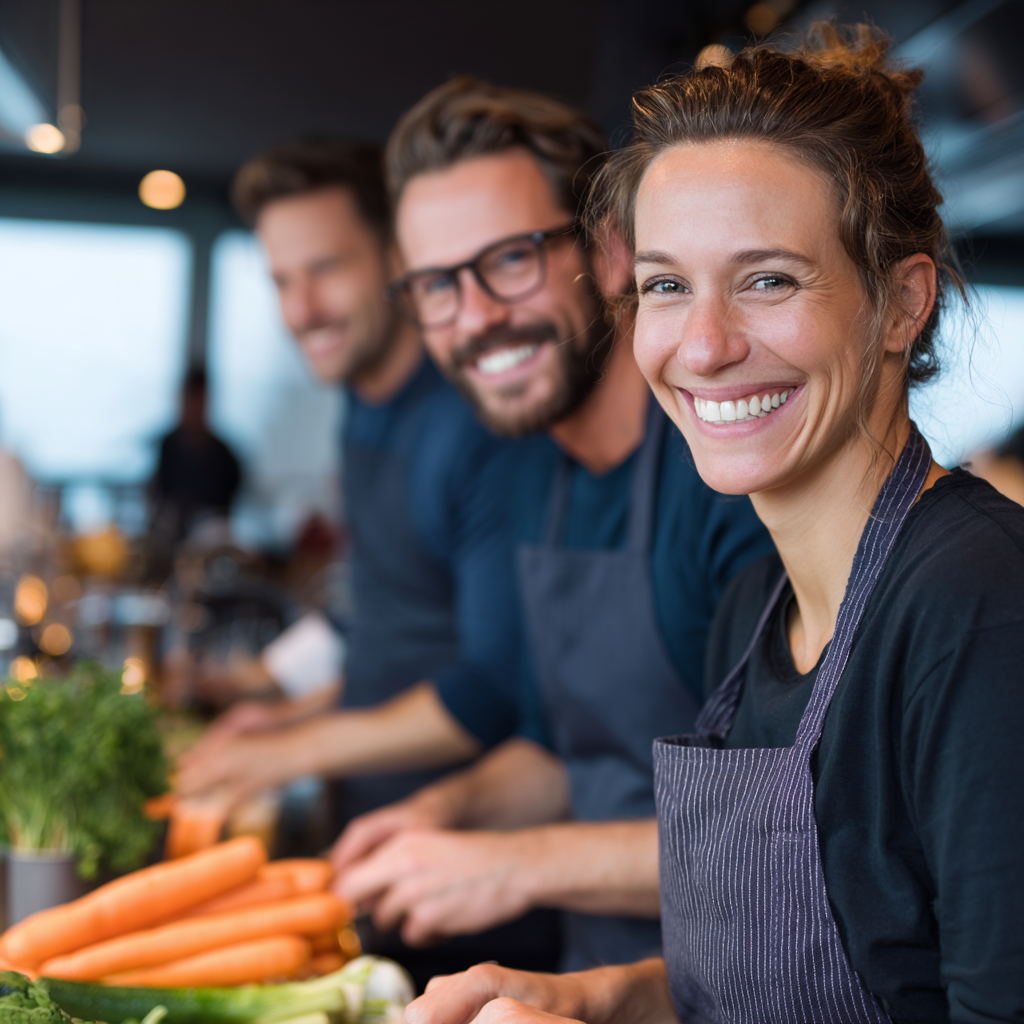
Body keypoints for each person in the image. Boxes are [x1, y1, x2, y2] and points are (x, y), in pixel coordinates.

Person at [398, 25, 1024, 1023]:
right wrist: (597, 998)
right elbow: (764, 979)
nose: (703, 344)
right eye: (666, 286)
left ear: (901, 303)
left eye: (767, 279)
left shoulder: (976, 605)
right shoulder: (753, 612)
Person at [330, 80, 774, 972]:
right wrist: (446, 813)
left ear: (610, 253)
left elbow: (780, 839)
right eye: (436, 286)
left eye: (510, 260)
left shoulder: (727, 482)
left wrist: (513, 866)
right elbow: (563, 754)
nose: (478, 317)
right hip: (586, 977)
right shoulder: (540, 473)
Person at [174, 139, 561, 983]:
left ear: (397, 259)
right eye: (281, 281)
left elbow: (493, 687)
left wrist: (295, 750)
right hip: (377, 843)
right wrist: (280, 711)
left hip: (478, 880)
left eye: (325, 270)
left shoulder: (476, 421)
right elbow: (388, 622)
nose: (301, 307)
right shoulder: (359, 405)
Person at [152, 369, 241, 543]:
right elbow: (158, 495)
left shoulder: (225, 456)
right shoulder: (166, 446)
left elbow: (228, 510)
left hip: (210, 542)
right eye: (188, 400)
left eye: (198, 401)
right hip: (171, 536)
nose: (192, 408)